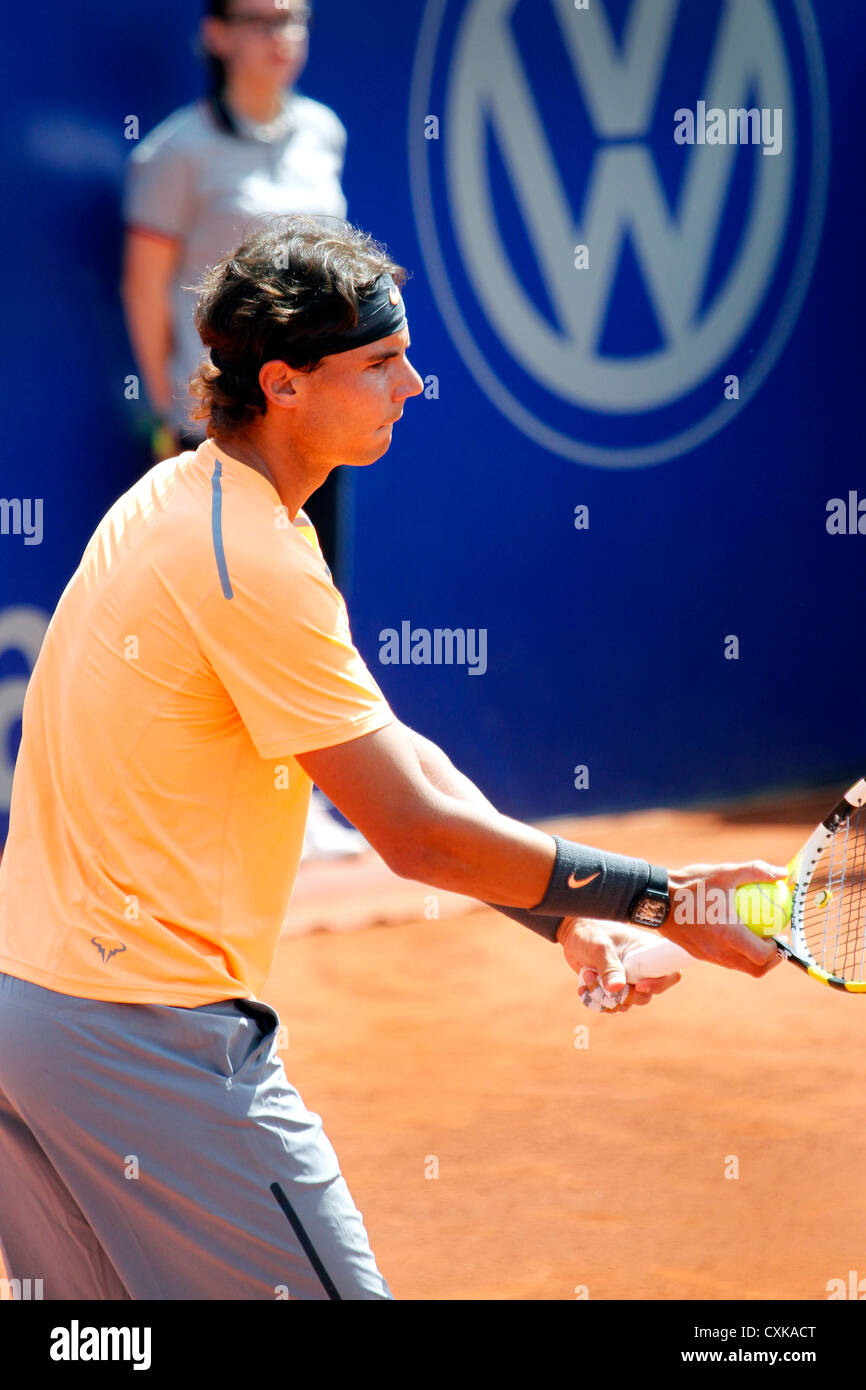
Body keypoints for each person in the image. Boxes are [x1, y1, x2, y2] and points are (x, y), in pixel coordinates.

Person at [0, 218, 782, 1300]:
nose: (411, 384)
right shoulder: (252, 559)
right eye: (379, 363)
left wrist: (563, 911)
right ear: (282, 383)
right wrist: (668, 901)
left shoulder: (188, 503)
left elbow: (391, 755)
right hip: (148, 1044)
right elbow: (409, 833)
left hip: (30, 1026)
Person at [122, 0, 359, 857]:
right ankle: (218, 820)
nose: (280, 36)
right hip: (220, 427)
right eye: (260, 18)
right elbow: (147, 288)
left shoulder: (324, 132)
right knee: (220, 620)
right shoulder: (175, 154)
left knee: (311, 598)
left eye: (293, 19)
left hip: (318, 425)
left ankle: (305, 807)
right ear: (216, 36)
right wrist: (166, 407)